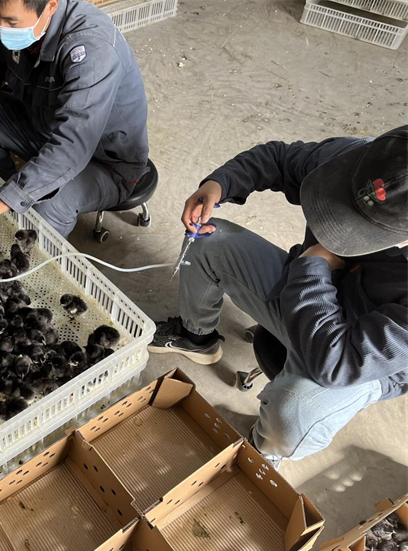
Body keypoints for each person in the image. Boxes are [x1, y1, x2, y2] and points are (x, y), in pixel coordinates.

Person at [148, 125, 408, 467]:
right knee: (208, 240)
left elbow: (336, 363)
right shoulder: (366, 163)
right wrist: (220, 183)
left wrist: (314, 264)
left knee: (294, 414)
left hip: (354, 355)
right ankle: (196, 337)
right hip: (310, 284)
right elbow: (280, 158)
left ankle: (263, 451)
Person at [0, 0, 150, 240]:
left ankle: (12, 221)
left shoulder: (93, 51)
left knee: (48, 206)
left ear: (50, 6)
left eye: (11, 22)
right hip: (44, 128)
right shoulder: (26, 27)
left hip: (103, 162)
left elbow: (71, 147)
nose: (2, 29)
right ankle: (5, 201)